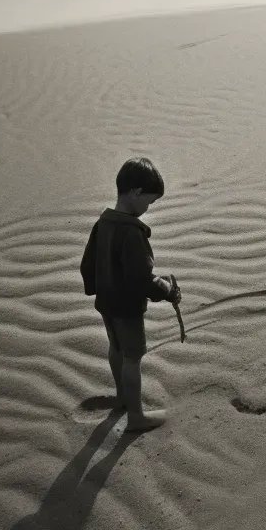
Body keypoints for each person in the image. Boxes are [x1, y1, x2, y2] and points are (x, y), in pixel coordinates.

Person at [80, 157, 181, 432]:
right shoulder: (132, 233)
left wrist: (95, 289)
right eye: (149, 201)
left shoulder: (103, 223)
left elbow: (87, 263)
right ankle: (136, 417)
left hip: (106, 303)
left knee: (116, 348)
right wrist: (167, 290)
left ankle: (123, 397)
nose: (148, 208)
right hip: (126, 307)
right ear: (136, 192)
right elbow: (141, 278)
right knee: (133, 356)